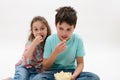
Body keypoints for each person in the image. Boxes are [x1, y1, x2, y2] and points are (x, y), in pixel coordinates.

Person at [32, 6, 100, 80]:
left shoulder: (78, 40)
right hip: (53, 73)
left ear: (74, 27)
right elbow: (45, 66)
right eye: (61, 28)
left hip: (71, 71)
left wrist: (74, 76)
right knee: (37, 78)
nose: (64, 33)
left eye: (68, 29)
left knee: (94, 77)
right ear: (55, 25)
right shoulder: (50, 40)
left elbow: (80, 63)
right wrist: (56, 52)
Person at [3, 16, 51, 80]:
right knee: (21, 78)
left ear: (47, 29)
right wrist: (34, 43)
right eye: (36, 29)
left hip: (36, 70)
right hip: (24, 67)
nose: (39, 32)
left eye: (42, 28)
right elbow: (26, 55)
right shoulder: (31, 41)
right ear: (32, 31)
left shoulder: (49, 42)